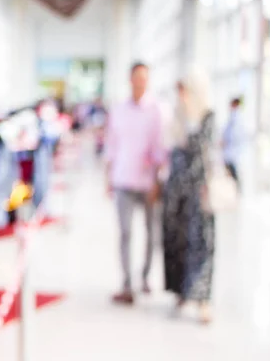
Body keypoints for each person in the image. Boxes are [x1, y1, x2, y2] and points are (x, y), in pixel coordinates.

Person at [104, 62, 164, 304]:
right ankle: (127, 283)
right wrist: (107, 178)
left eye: (144, 78)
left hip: (148, 183)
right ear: (130, 80)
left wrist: (157, 182)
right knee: (125, 232)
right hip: (123, 179)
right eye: (137, 78)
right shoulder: (119, 110)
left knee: (151, 233)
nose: (140, 82)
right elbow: (111, 146)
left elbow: (160, 149)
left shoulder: (156, 111)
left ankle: (145, 277)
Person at [162, 70, 215, 324]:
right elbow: (170, 147)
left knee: (201, 244)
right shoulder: (176, 114)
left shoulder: (206, 116)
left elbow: (200, 147)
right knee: (178, 241)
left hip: (200, 191)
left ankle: (202, 298)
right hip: (176, 192)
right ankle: (181, 291)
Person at [222, 97, 244, 191]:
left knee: (233, 176)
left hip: (232, 152)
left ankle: (236, 193)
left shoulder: (236, 117)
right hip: (231, 152)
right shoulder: (233, 117)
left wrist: (225, 141)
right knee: (231, 175)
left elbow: (233, 134)